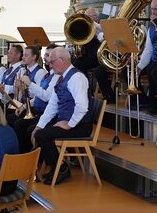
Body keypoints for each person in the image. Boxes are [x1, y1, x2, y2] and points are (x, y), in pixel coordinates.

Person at [31, 47, 93, 185]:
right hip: (68, 122)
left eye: (52, 62)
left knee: (42, 135)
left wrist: (70, 124)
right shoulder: (61, 78)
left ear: (63, 60)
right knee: (36, 131)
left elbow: (82, 106)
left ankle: (61, 168)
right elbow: (52, 105)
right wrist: (39, 126)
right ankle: (55, 166)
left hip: (80, 126)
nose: (50, 65)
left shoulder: (77, 77)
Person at [13, 43, 59, 153]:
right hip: (38, 109)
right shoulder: (49, 74)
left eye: (48, 55)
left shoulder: (55, 75)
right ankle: (23, 153)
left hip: (45, 112)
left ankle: (29, 155)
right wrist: (24, 105)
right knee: (18, 122)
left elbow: (47, 97)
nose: (45, 58)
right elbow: (39, 96)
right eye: (46, 55)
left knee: (23, 125)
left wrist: (29, 84)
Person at [7, 45, 47, 126]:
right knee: (7, 115)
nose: (23, 57)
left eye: (26, 55)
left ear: (34, 57)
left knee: (17, 123)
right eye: (23, 55)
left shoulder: (40, 72)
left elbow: (39, 95)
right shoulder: (25, 71)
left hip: (33, 107)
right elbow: (21, 93)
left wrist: (24, 89)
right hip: (24, 104)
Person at [137, 0, 157, 114]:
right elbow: (148, 50)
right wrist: (140, 66)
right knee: (133, 70)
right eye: (152, 9)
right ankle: (147, 102)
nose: (153, 12)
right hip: (155, 60)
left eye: (156, 9)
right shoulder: (152, 28)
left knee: (154, 70)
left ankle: (154, 102)